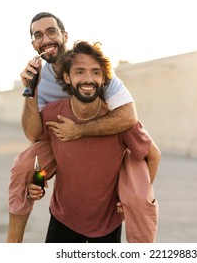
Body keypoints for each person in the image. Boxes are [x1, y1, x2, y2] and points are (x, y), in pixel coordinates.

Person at [6, 12, 138, 242]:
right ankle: (13, 243)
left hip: (93, 134)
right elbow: (33, 134)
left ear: (64, 35)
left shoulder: (89, 67)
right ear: (33, 44)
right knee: (23, 166)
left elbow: (129, 116)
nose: (45, 39)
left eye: (51, 31)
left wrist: (80, 130)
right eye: (38, 35)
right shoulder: (37, 75)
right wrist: (30, 90)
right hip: (58, 136)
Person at [28, 41, 161, 242]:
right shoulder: (52, 114)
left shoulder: (120, 121)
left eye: (96, 72)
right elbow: (39, 148)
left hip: (107, 226)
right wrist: (37, 181)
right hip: (62, 220)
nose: (88, 79)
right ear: (67, 77)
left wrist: (133, 198)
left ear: (104, 78)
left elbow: (153, 156)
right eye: (80, 72)